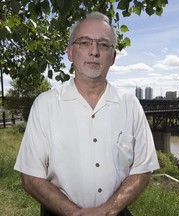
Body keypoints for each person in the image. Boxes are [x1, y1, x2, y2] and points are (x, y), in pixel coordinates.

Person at [14, 11, 159, 216]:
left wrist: (107, 210)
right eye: (84, 42)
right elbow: (30, 177)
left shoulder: (130, 104)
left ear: (113, 56)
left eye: (103, 44)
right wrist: (75, 214)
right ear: (70, 52)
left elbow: (143, 170)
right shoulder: (45, 104)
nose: (94, 51)